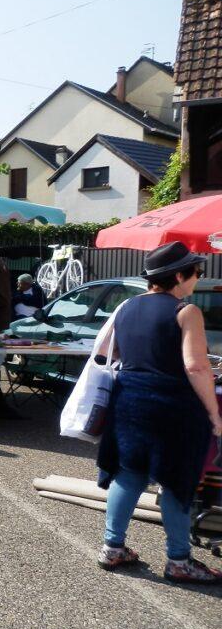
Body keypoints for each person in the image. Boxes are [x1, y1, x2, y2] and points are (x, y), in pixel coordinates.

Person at [95, 241, 222, 583]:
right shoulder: (187, 311)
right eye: (196, 271)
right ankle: (179, 560)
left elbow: (107, 349)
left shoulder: (127, 306)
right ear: (179, 275)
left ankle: (113, 546)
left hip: (130, 400)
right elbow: (196, 367)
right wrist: (215, 414)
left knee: (130, 473)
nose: (198, 277)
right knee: (176, 481)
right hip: (172, 406)